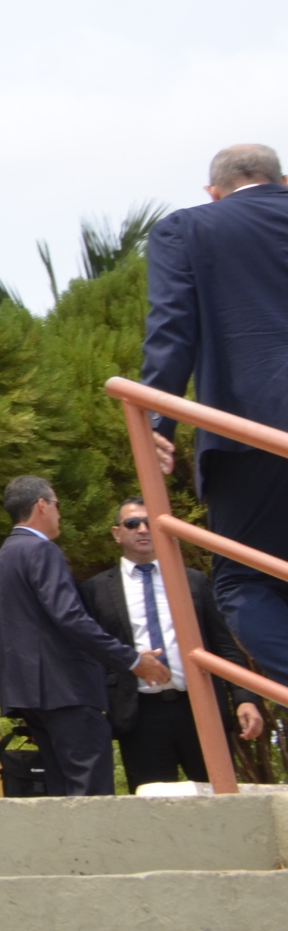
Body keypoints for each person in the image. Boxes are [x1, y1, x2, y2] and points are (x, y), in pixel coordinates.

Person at [143, 142, 288, 683]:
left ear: (214, 191)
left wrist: (157, 423)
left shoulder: (188, 229)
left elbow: (171, 332)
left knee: (246, 583)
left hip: (250, 432)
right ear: (283, 180)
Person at [0, 476, 169, 796]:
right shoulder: (42, 551)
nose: (60, 514)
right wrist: (131, 660)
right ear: (42, 506)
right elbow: (71, 617)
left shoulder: (5, 555)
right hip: (66, 692)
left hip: (31, 695)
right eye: (57, 505)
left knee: (63, 792)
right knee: (91, 793)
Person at [79, 496, 265, 787]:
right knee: (153, 807)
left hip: (199, 707)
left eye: (150, 522)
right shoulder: (96, 590)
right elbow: (90, 654)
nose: (143, 529)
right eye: (132, 523)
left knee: (220, 798)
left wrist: (245, 699)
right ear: (117, 533)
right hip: (139, 716)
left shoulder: (192, 581)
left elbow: (223, 645)